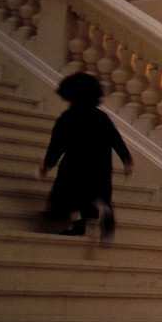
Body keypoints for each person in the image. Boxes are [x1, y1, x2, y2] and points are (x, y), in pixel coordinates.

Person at [39, 71, 132, 237]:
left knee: (69, 198)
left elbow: (57, 144)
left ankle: (77, 225)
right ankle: (103, 206)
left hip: (75, 164)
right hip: (100, 164)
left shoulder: (67, 118)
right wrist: (126, 158)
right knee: (95, 194)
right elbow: (115, 139)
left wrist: (47, 164)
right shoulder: (101, 117)